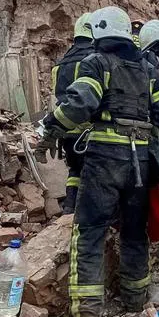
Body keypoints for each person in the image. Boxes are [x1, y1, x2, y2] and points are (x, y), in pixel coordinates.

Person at [38, 6, 159, 317]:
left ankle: (87, 310)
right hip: (140, 162)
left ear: (98, 32)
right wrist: (145, 135)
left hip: (104, 160)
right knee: (134, 231)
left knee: (90, 230)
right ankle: (134, 298)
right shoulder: (147, 69)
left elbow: (79, 103)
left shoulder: (97, 62)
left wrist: (50, 130)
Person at [50, 12, 96, 213]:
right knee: (93, 172)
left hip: (67, 129)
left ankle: (70, 207)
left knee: (74, 170)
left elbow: (58, 97)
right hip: (90, 130)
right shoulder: (94, 59)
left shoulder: (59, 64)